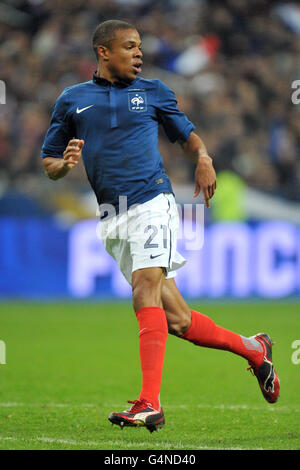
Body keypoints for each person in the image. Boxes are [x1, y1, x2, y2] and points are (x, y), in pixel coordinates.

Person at [41, 20, 280, 433]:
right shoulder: (72, 100)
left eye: (140, 47)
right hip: (112, 216)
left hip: (153, 201)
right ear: (103, 52)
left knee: (145, 285)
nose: (139, 53)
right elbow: (49, 163)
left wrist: (203, 157)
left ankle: (149, 403)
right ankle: (255, 350)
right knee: (179, 321)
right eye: (129, 47)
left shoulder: (153, 91)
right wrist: (63, 165)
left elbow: (187, 135)